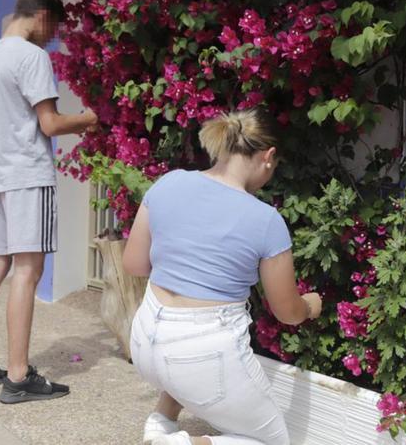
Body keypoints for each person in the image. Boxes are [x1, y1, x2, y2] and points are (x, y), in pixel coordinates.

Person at [123, 109, 323, 444]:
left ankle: (160, 424)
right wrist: (310, 306)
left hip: (144, 340)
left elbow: (134, 264)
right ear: (269, 157)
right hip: (203, 352)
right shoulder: (265, 219)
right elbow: (287, 312)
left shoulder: (169, 182)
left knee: (181, 370)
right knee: (274, 443)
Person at [0, 0, 98, 404]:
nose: (53, 37)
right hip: (28, 176)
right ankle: (18, 376)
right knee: (27, 272)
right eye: (53, 27)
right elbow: (51, 124)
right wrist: (90, 118)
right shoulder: (32, 56)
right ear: (40, 17)